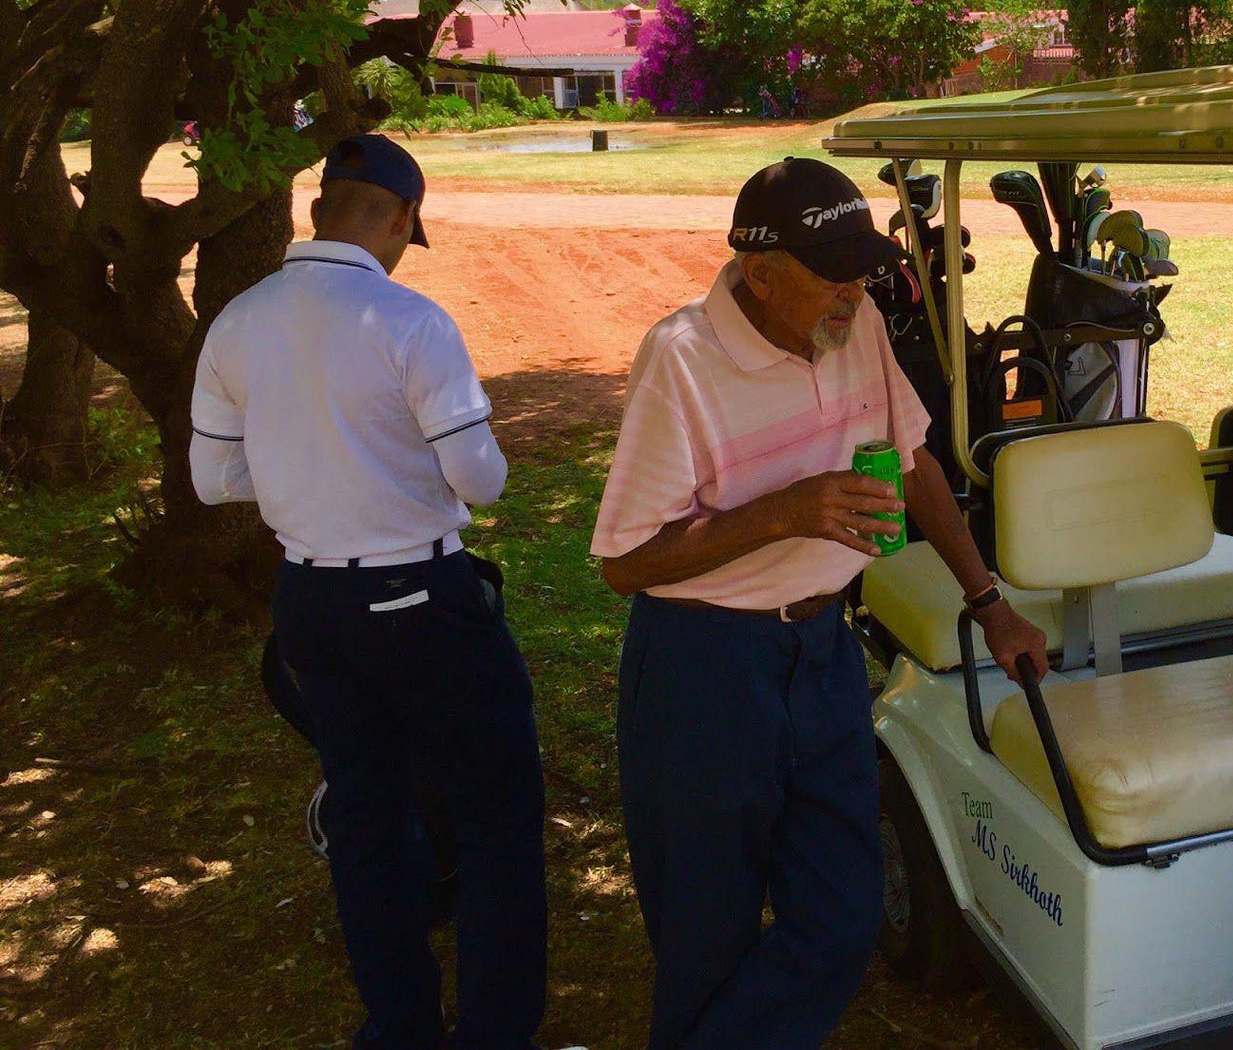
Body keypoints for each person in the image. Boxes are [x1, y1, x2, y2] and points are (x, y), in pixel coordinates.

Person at [592, 157, 1048, 1050]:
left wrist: (989, 602)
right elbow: (624, 564)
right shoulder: (681, 357)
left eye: (861, 270)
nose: (856, 290)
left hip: (824, 656)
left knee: (843, 916)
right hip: (702, 666)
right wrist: (787, 511)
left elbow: (913, 459)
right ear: (761, 275)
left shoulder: (858, 324)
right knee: (704, 933)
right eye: (833, 274)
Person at [191, 134, 548, 1050]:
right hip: (419, 593)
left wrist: (308, 471)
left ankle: (398, 1028)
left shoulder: (236, 321)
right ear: (399, 218)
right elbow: (482, 479)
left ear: (319, 211)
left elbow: (214, 480)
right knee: (496, 807)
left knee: (365, 812)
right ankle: (495, 1033)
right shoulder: (410, 321)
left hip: (309, 599)